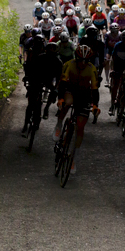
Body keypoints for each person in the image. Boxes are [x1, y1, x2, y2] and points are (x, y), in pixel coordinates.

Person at [53, 44, 101, 173]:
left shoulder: (92, 69)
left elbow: (95, 90)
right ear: (76, 58)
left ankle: (75, 157)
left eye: (86, 61)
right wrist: (60, 99)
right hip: (70, 90)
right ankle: (59, 125)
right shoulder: (69, 64)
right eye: (80, 60)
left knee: (80, 126)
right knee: (68, 102)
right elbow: (62, 83)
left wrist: (95, 105)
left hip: (84, 95)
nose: (83, 63)